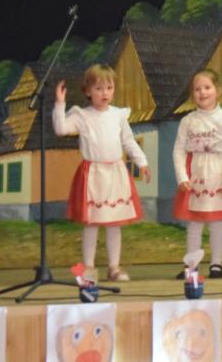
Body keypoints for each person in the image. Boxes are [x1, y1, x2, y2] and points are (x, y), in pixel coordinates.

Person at [54, 64, 151, 281]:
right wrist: (60, 105)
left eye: (109, 88)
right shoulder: (82, 115)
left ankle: (114, 267)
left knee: (114, 222)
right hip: (93, 175)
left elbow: (128, 141)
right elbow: (61, 129)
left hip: (115, 173)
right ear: (88, 91)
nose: (104, 93)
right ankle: (88, 268)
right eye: (98, 89)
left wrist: (142, 162)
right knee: (92, 222)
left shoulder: (118, 115)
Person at [173, 68, 222, 279]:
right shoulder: (187, 121)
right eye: (197, 89)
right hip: (196, 175)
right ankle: (191, 265)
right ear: (192, 94)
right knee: (194, 224)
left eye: (207, 87)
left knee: (216, 223)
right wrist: (182, 177)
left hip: (218, 176)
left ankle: (216, 264)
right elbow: (179, 150)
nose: (202, 92)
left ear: (218, 90)